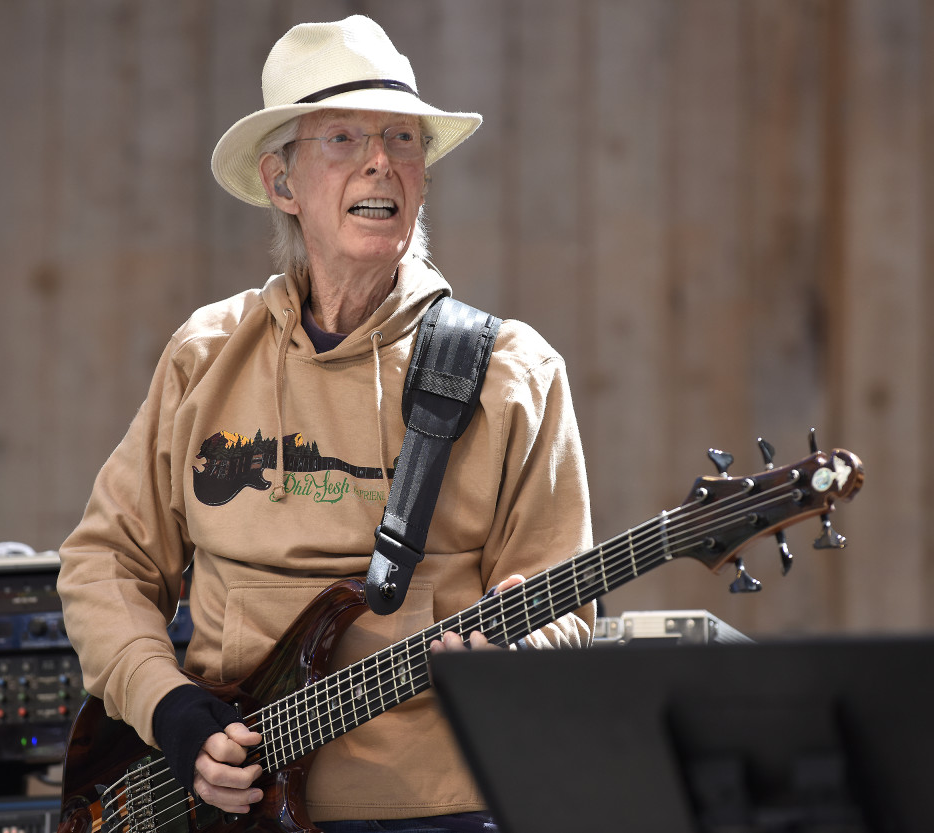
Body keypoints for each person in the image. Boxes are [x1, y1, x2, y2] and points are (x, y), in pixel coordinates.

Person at [57, 15, 594, 833]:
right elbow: (106, 563)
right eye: (343, 138)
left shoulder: (512, 373)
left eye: (403, 140)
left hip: (438, 808)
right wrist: (166, 707)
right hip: (216, 807)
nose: (382, 160)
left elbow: (563, 604)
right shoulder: (206, 355)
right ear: (282, 183)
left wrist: (519, 651)